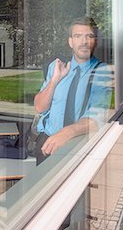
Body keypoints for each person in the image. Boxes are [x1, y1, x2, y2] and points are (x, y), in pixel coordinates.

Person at [34, 16, 112, 164]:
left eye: (89, 36)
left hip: (76, 145)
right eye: (77, 36)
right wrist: (55, 80)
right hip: (47, 142)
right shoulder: (56, 66)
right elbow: (39, 107)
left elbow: (98, 117)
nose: (83, 42)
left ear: (95, 41)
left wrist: (67, 132)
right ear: (70, 41)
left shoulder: (101, 71)